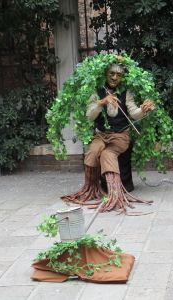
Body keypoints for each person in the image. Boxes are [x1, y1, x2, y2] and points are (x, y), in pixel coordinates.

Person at [61, 62, 155, 213]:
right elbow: (90, 116)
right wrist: (101, 102)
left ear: (122, 77)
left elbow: (134, 113)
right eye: (112, 74)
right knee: (92, 151)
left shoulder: (126, 93)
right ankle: (90, 189)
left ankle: (114, 193)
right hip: (101, 135)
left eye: (119, 75)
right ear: (105, 74)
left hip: (120, 136)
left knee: (107, 154)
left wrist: (143, 110)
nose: (115, 77)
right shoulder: (96, 93)